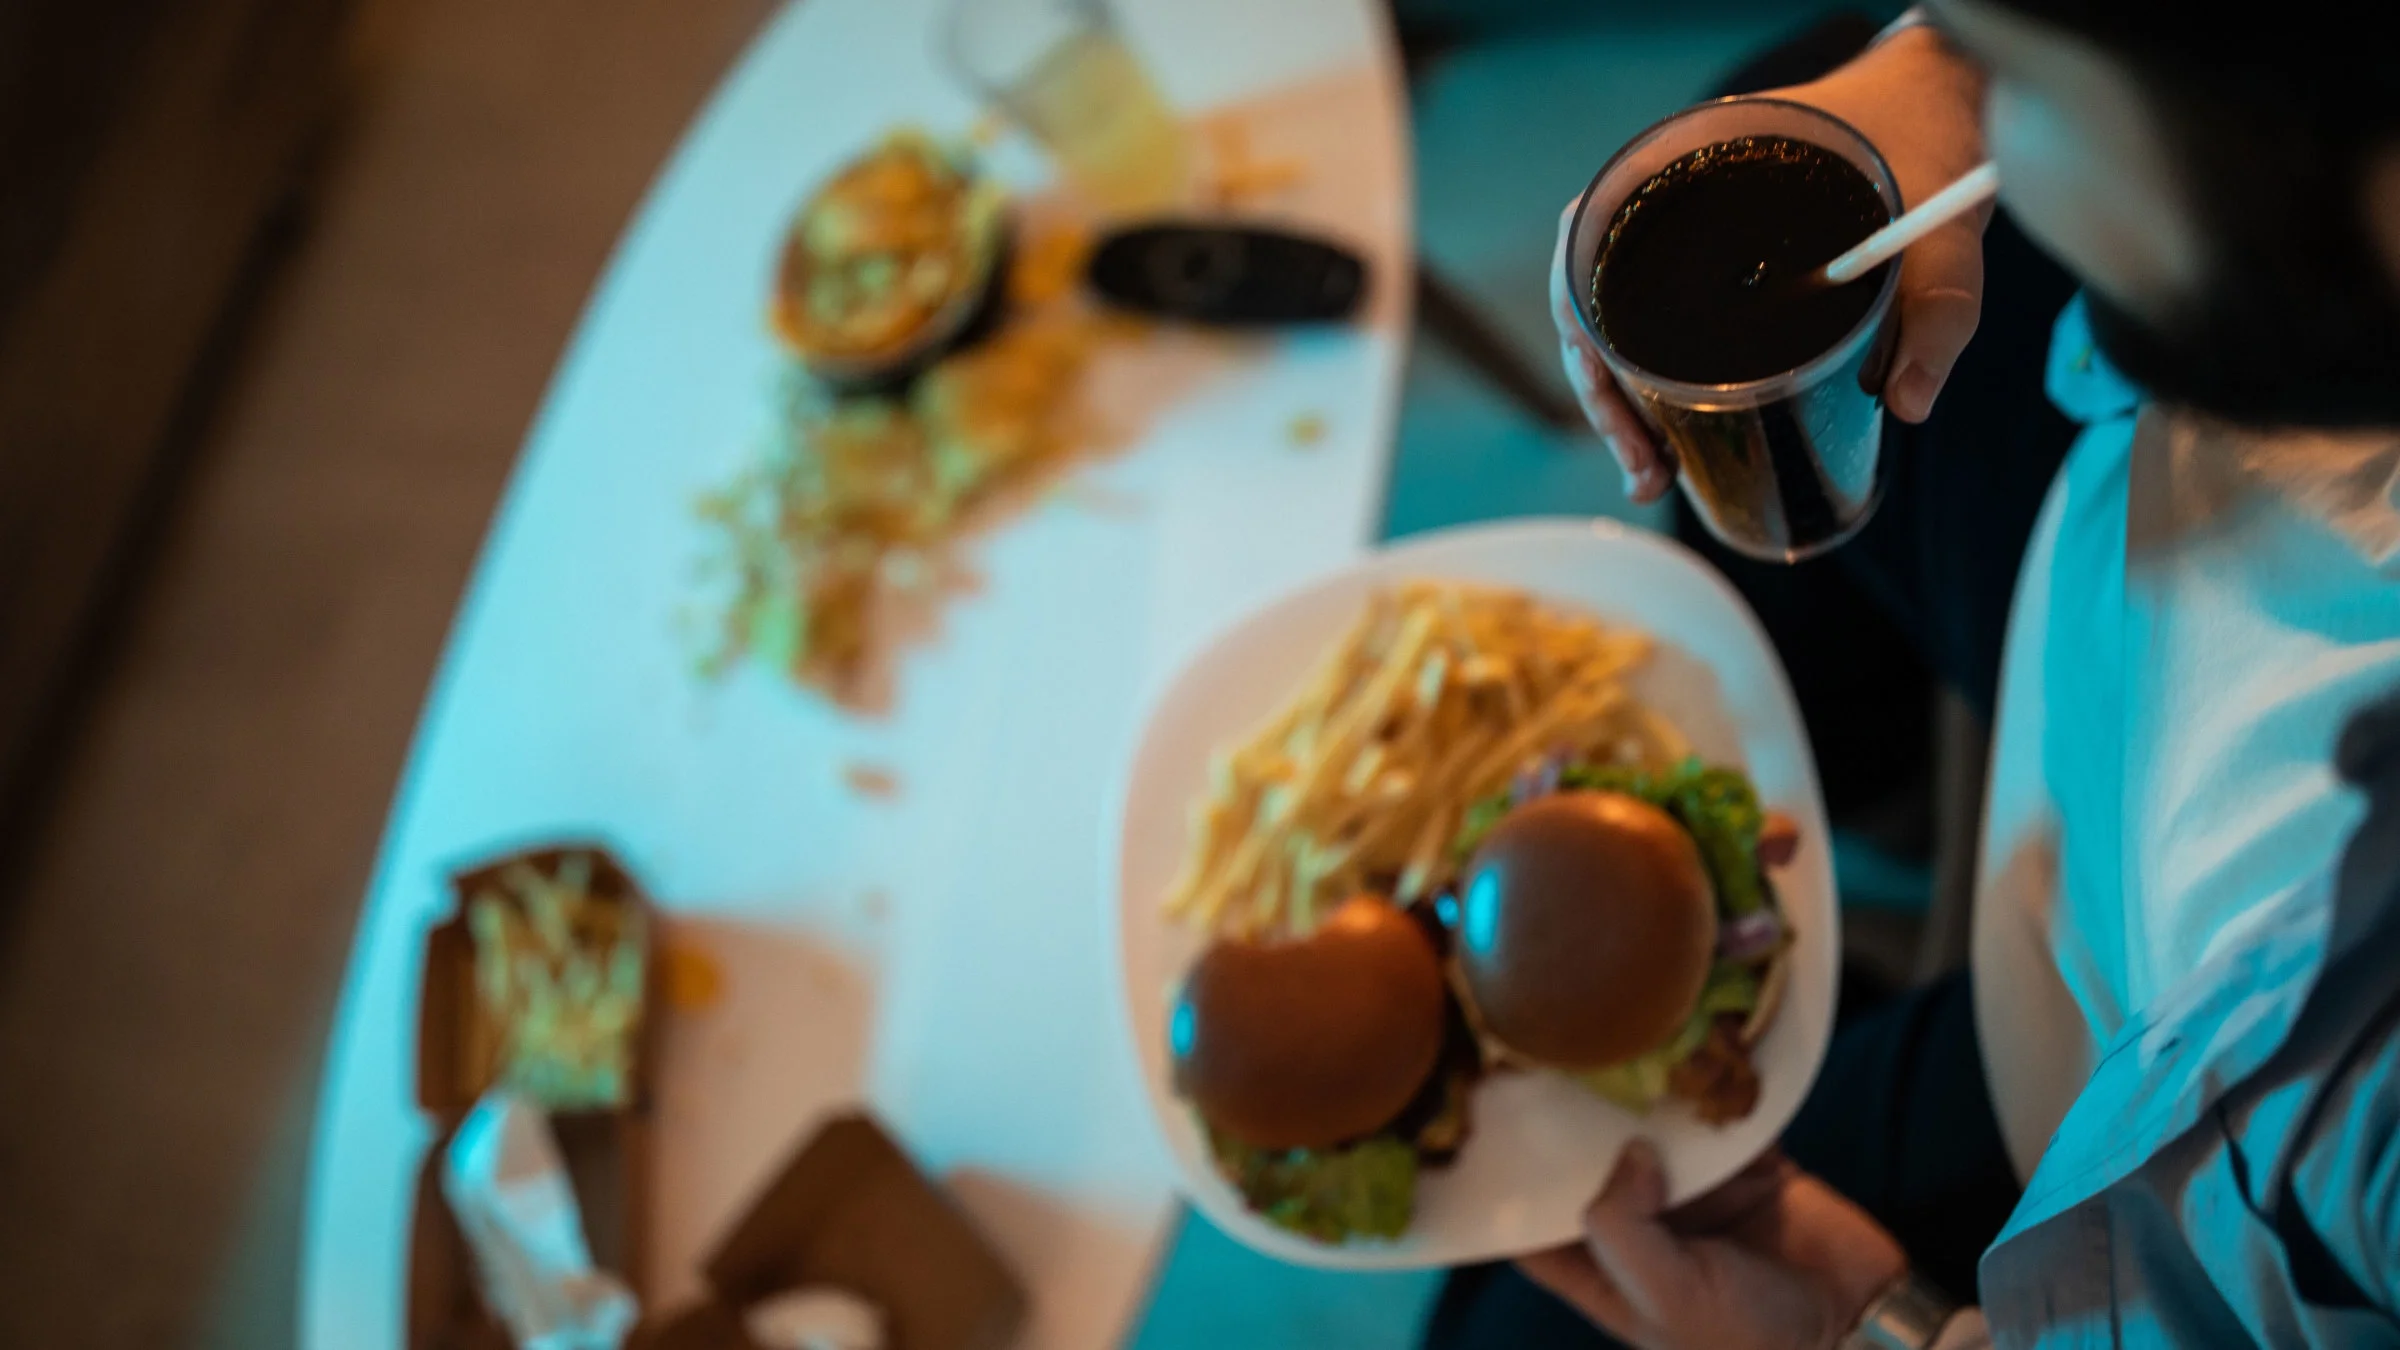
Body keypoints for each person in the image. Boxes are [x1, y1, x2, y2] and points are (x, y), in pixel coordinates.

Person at [1430, 0, 2400, 1346]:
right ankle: (1869, 794)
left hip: (2074, 1108)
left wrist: (1867, 1318)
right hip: (2117, 600)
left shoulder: (2354, 1075)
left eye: (2020, 82)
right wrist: (1940, 67)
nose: (1979, 109)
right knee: (1787, 118)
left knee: (1496, 1318)